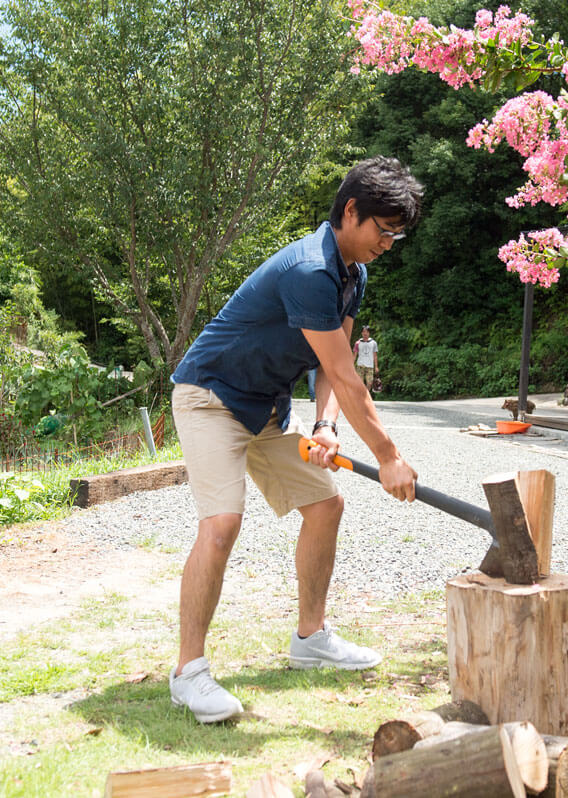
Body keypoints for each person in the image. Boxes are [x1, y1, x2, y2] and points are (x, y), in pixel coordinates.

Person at [167, 156, 423, 723]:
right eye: (383, 231)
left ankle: (310, 637)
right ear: (350, 212)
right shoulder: (309, 269)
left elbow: (334, 369)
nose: (388, 243)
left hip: (262, 408)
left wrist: (326, 425)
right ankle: (188, 672)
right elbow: (353, 379)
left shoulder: (352, 274)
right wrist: (390, 458)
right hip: (210, 397)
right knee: (222, 522)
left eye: (396, 236)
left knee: (325, 504)